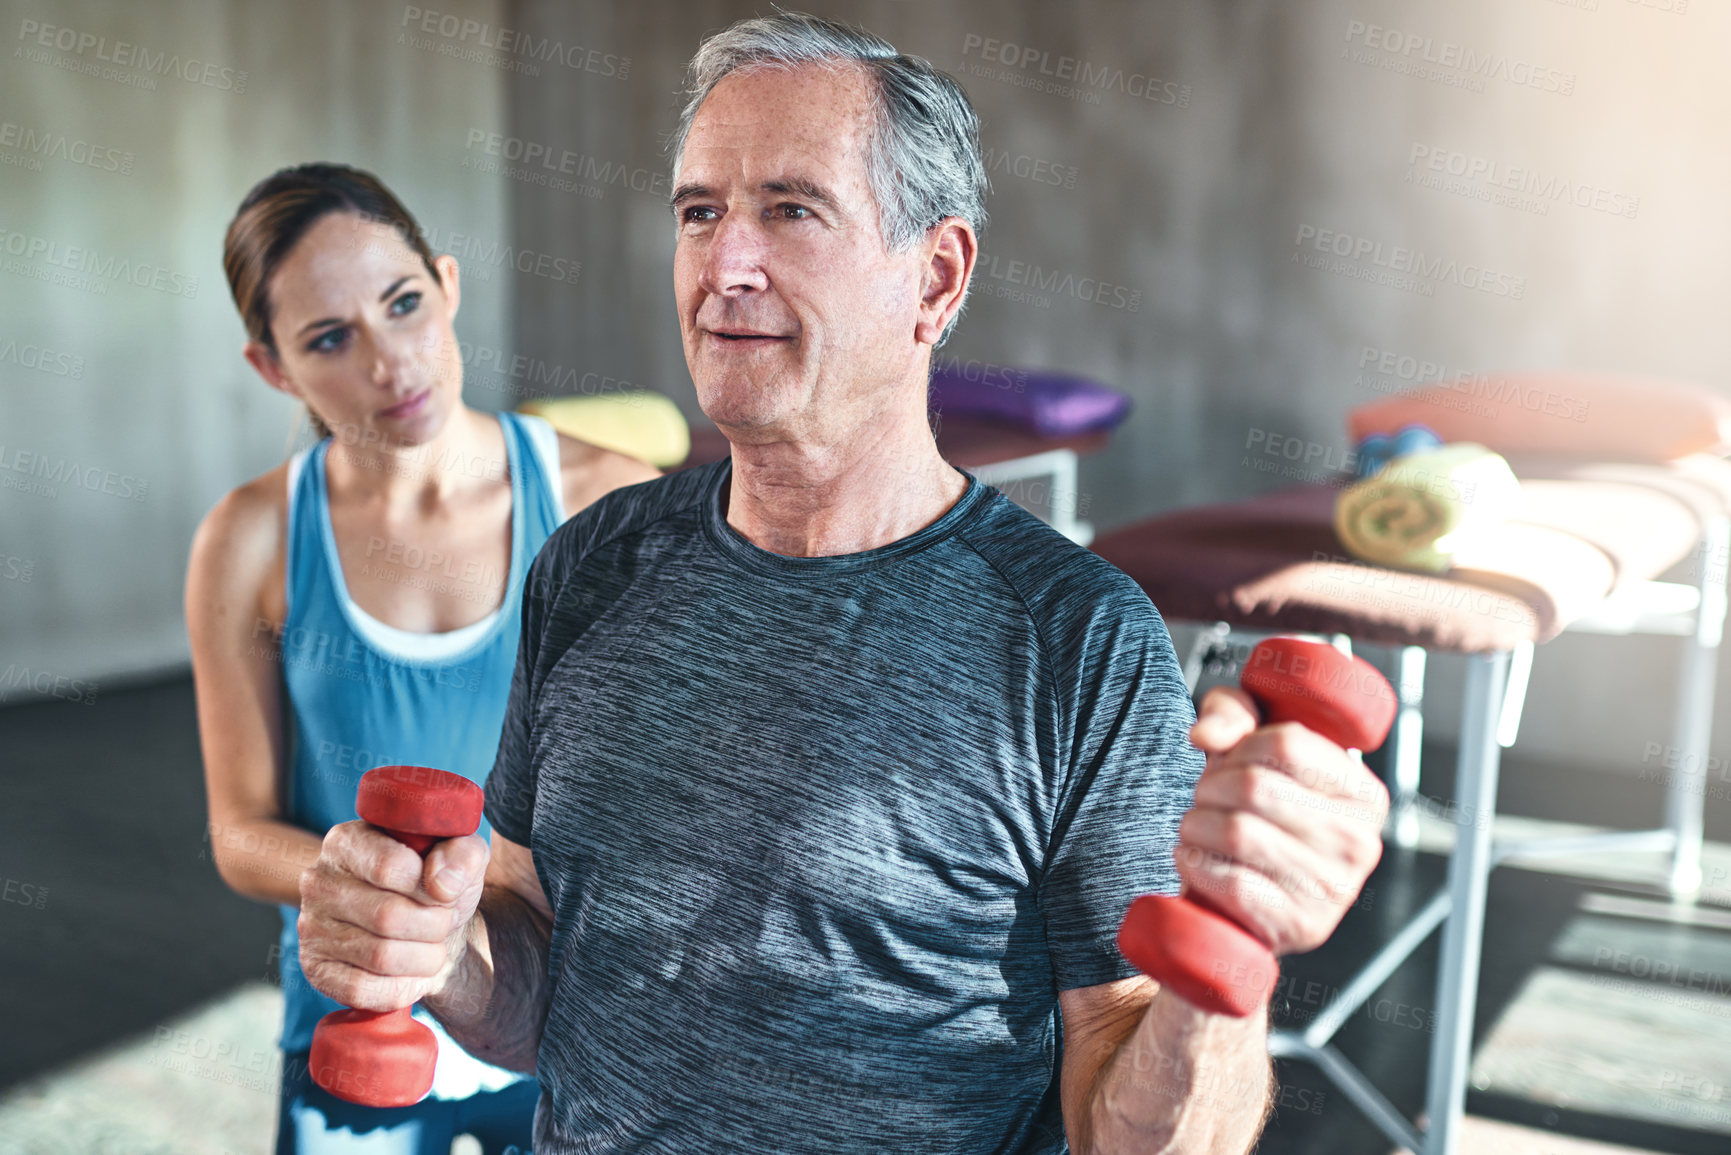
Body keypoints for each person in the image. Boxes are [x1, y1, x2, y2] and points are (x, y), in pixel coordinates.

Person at [297, 15, 1389, 1155]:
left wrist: (1229, 973)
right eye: (699, 211)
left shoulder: (1078, 642)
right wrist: (437, 954)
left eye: (791, 208)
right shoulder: (594, 563)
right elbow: (532, 986)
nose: (724, 265)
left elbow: (1129, 1134)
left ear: (936, 278)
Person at [185, 162, 658, 1153]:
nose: (391, 363)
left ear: (448, 283)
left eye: (404, 303)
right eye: (328, 338)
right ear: (273, 367)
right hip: (358, 1020)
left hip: (566, 1026)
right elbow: (238, 832)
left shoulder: (608, 504)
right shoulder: (249, 539)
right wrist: (388, 897)